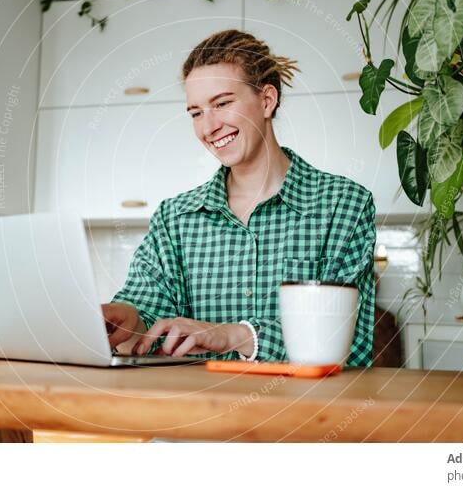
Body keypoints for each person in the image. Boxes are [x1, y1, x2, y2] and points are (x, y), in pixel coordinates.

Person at [101, 29, 376, 365]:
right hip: (199, 413)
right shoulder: (175, 218)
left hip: (306, 415)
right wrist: (127, 319)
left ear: (266, 100)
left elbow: (348, 346)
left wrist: (236, 335)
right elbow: (146, 308)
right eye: (196, 112)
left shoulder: (343, 205)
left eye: (222, 103)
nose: (208, 127)